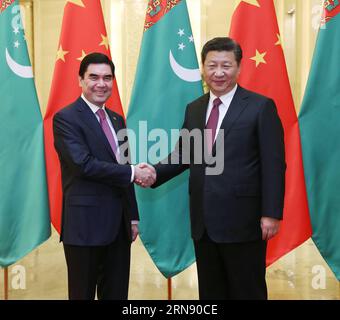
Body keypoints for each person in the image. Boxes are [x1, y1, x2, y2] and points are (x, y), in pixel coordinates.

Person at [138, 37, 286, 299]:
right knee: (211, 292)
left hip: (244, 221)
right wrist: (154, 173)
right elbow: (185, 152)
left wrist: (271, 213)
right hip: (204, 223)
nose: (218, 73)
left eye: (226, 66)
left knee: (246, 290)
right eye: (212, 65)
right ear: (203, 69)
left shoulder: (260, 106)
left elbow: (274, 164)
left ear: (239, 68)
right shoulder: (195, 108)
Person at [53, 52, 153, 300]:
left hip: (118, 228)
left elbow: (124, 166)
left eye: (107, 78)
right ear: (80, 80)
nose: (101, 84)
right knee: (82, 294)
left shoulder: (118, 119)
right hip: (84, 227)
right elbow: (83, 164)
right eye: (93, 77)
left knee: (117, 294)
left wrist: (132, 216)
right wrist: (132, 172)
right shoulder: (66, 118)